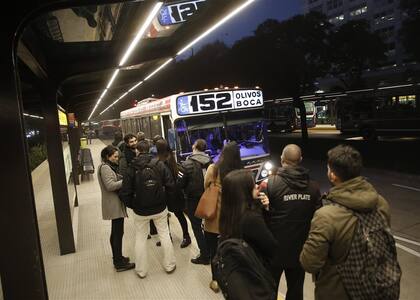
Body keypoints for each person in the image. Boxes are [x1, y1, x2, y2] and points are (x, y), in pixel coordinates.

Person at [300, 145, 395, 300]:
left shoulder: (326, 216)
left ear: (332, 175)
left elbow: (310, 263)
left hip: (339, 292)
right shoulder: (381, 203)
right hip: (376, 287)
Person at [264, 144, 321, 300]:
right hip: (300, 249)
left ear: (282, 159)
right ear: (300, 160)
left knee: (269, 288)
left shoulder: (272, 184)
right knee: (296, 290)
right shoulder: (314, 187)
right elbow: (319, 220)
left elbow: (263, 215)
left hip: (275, 249)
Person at [119, 140, 176, 278]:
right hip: (160, 208)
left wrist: (134, 205)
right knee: (164, 235)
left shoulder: (131, 167)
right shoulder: (159, 164)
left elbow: (125, 192)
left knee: (140, 238)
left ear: (137, 151)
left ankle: (141, 271)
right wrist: (165, 201)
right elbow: (170, 185)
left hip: (140, 210)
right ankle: (169, 265)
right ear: (150, 150)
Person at [219, 169, 279, 299]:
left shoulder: (228, 213)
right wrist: (267, 212)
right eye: (253, 185)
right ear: (244, 191)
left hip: (239, 272)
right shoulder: (251, 218)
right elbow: (272, 247)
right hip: (255, 272)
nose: (257, 186)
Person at [204, 141, 243, 293]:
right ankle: (233, 278)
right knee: (233, 250)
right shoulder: (241, 171)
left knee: (214, 251)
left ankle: (215, 280)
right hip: (234, 219)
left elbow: (206, 186)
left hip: (214, 217)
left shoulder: (213, 169)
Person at [98, 145, 135, 272]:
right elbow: (110, 186)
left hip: (114, 203)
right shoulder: (105, 168)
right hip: (113, 204)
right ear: (107, 157)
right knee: (117, 234)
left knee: (116, 232)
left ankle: (118, 257)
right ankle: (119, 263)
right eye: (114, 156)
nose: (117, 159)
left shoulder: (107, 167)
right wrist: (126, 182)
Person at [178, 139, 212, 265]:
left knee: (196, 227)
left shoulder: (186, 164)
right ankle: (211, 250)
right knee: (208, 225)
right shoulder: (211, 162)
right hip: (209, 197)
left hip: (193, 200)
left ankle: (204, 255)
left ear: (194, 147)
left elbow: (180, 183)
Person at [156, 139, 191, 248]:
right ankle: (184, 236)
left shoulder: (162, 160)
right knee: (179, 215)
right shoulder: (170, 156)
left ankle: (174, 236)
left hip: (169, 192)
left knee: (170, 215)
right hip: (175, 192)